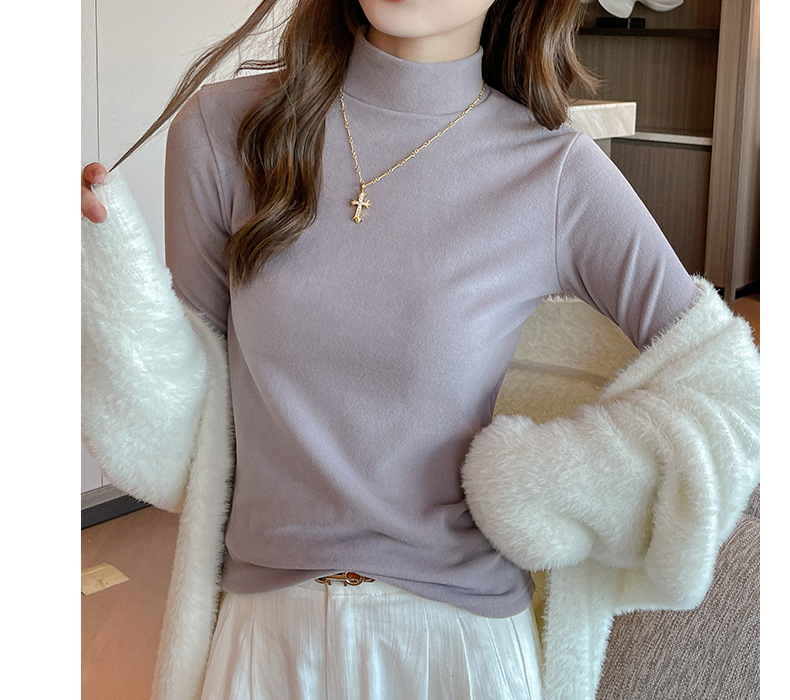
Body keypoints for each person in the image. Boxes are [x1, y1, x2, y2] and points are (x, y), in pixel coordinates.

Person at [81, 1, 760, 699]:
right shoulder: (222, 128)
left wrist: (549, 481)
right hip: (266, 641)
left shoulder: (553, 172)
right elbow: (191, 427)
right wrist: (102, 291)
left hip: (458, 649)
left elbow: (731, 393)